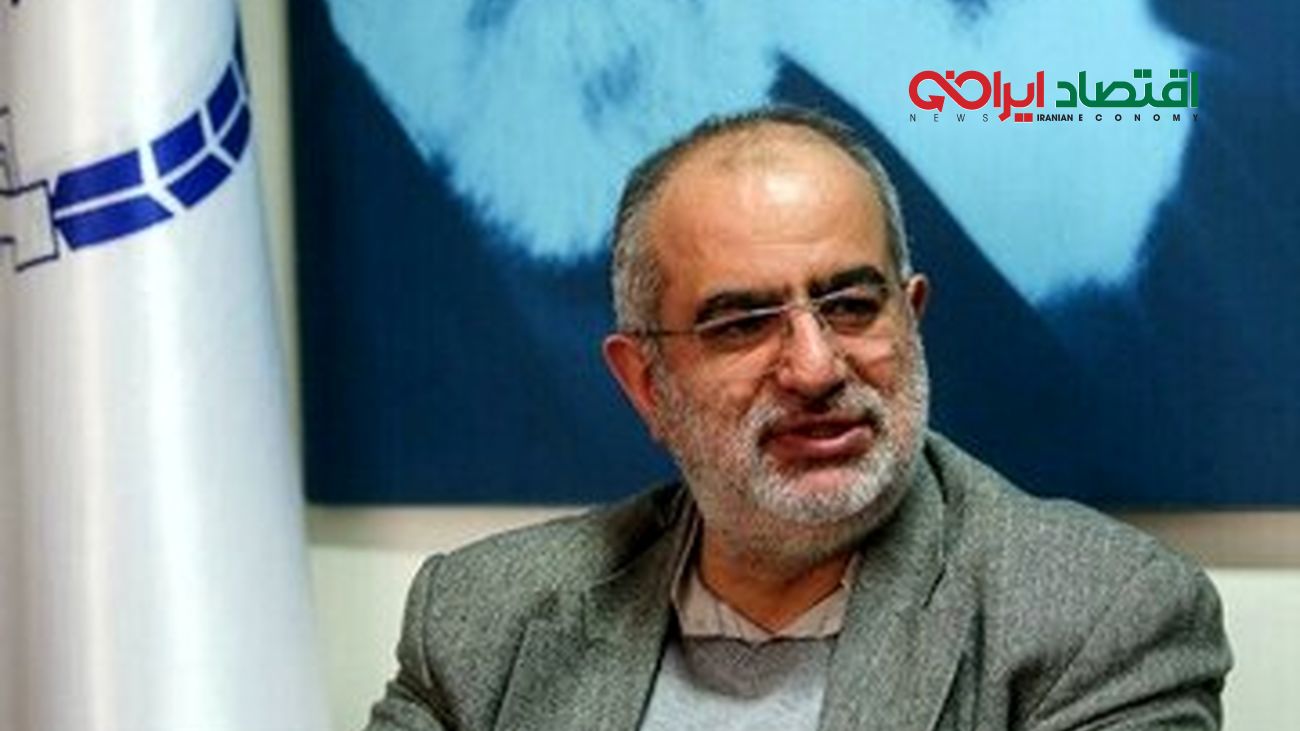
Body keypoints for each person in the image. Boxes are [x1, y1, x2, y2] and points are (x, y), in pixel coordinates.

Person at [364, 106, 1231, 730]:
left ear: (911, 318)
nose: (815, 367)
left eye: (852, 305)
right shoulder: (483, 620)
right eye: (742, 322)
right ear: (645, 383)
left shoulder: (1099, 617)